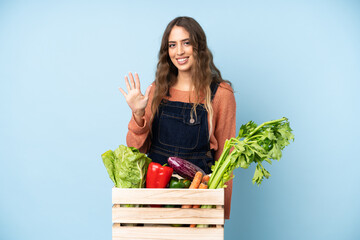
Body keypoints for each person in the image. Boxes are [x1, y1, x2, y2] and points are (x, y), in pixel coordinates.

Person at [119, 16, 236, 219]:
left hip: (198, 201)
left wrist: (219, 212)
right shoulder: (156, 91)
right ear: (167, 51)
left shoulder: (220, 94)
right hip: (154, 199)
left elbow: (226, 157)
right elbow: (136, 151)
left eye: (186, 43)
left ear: (199, 47)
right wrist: (137, 113)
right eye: (172, 45)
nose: (179, 51)